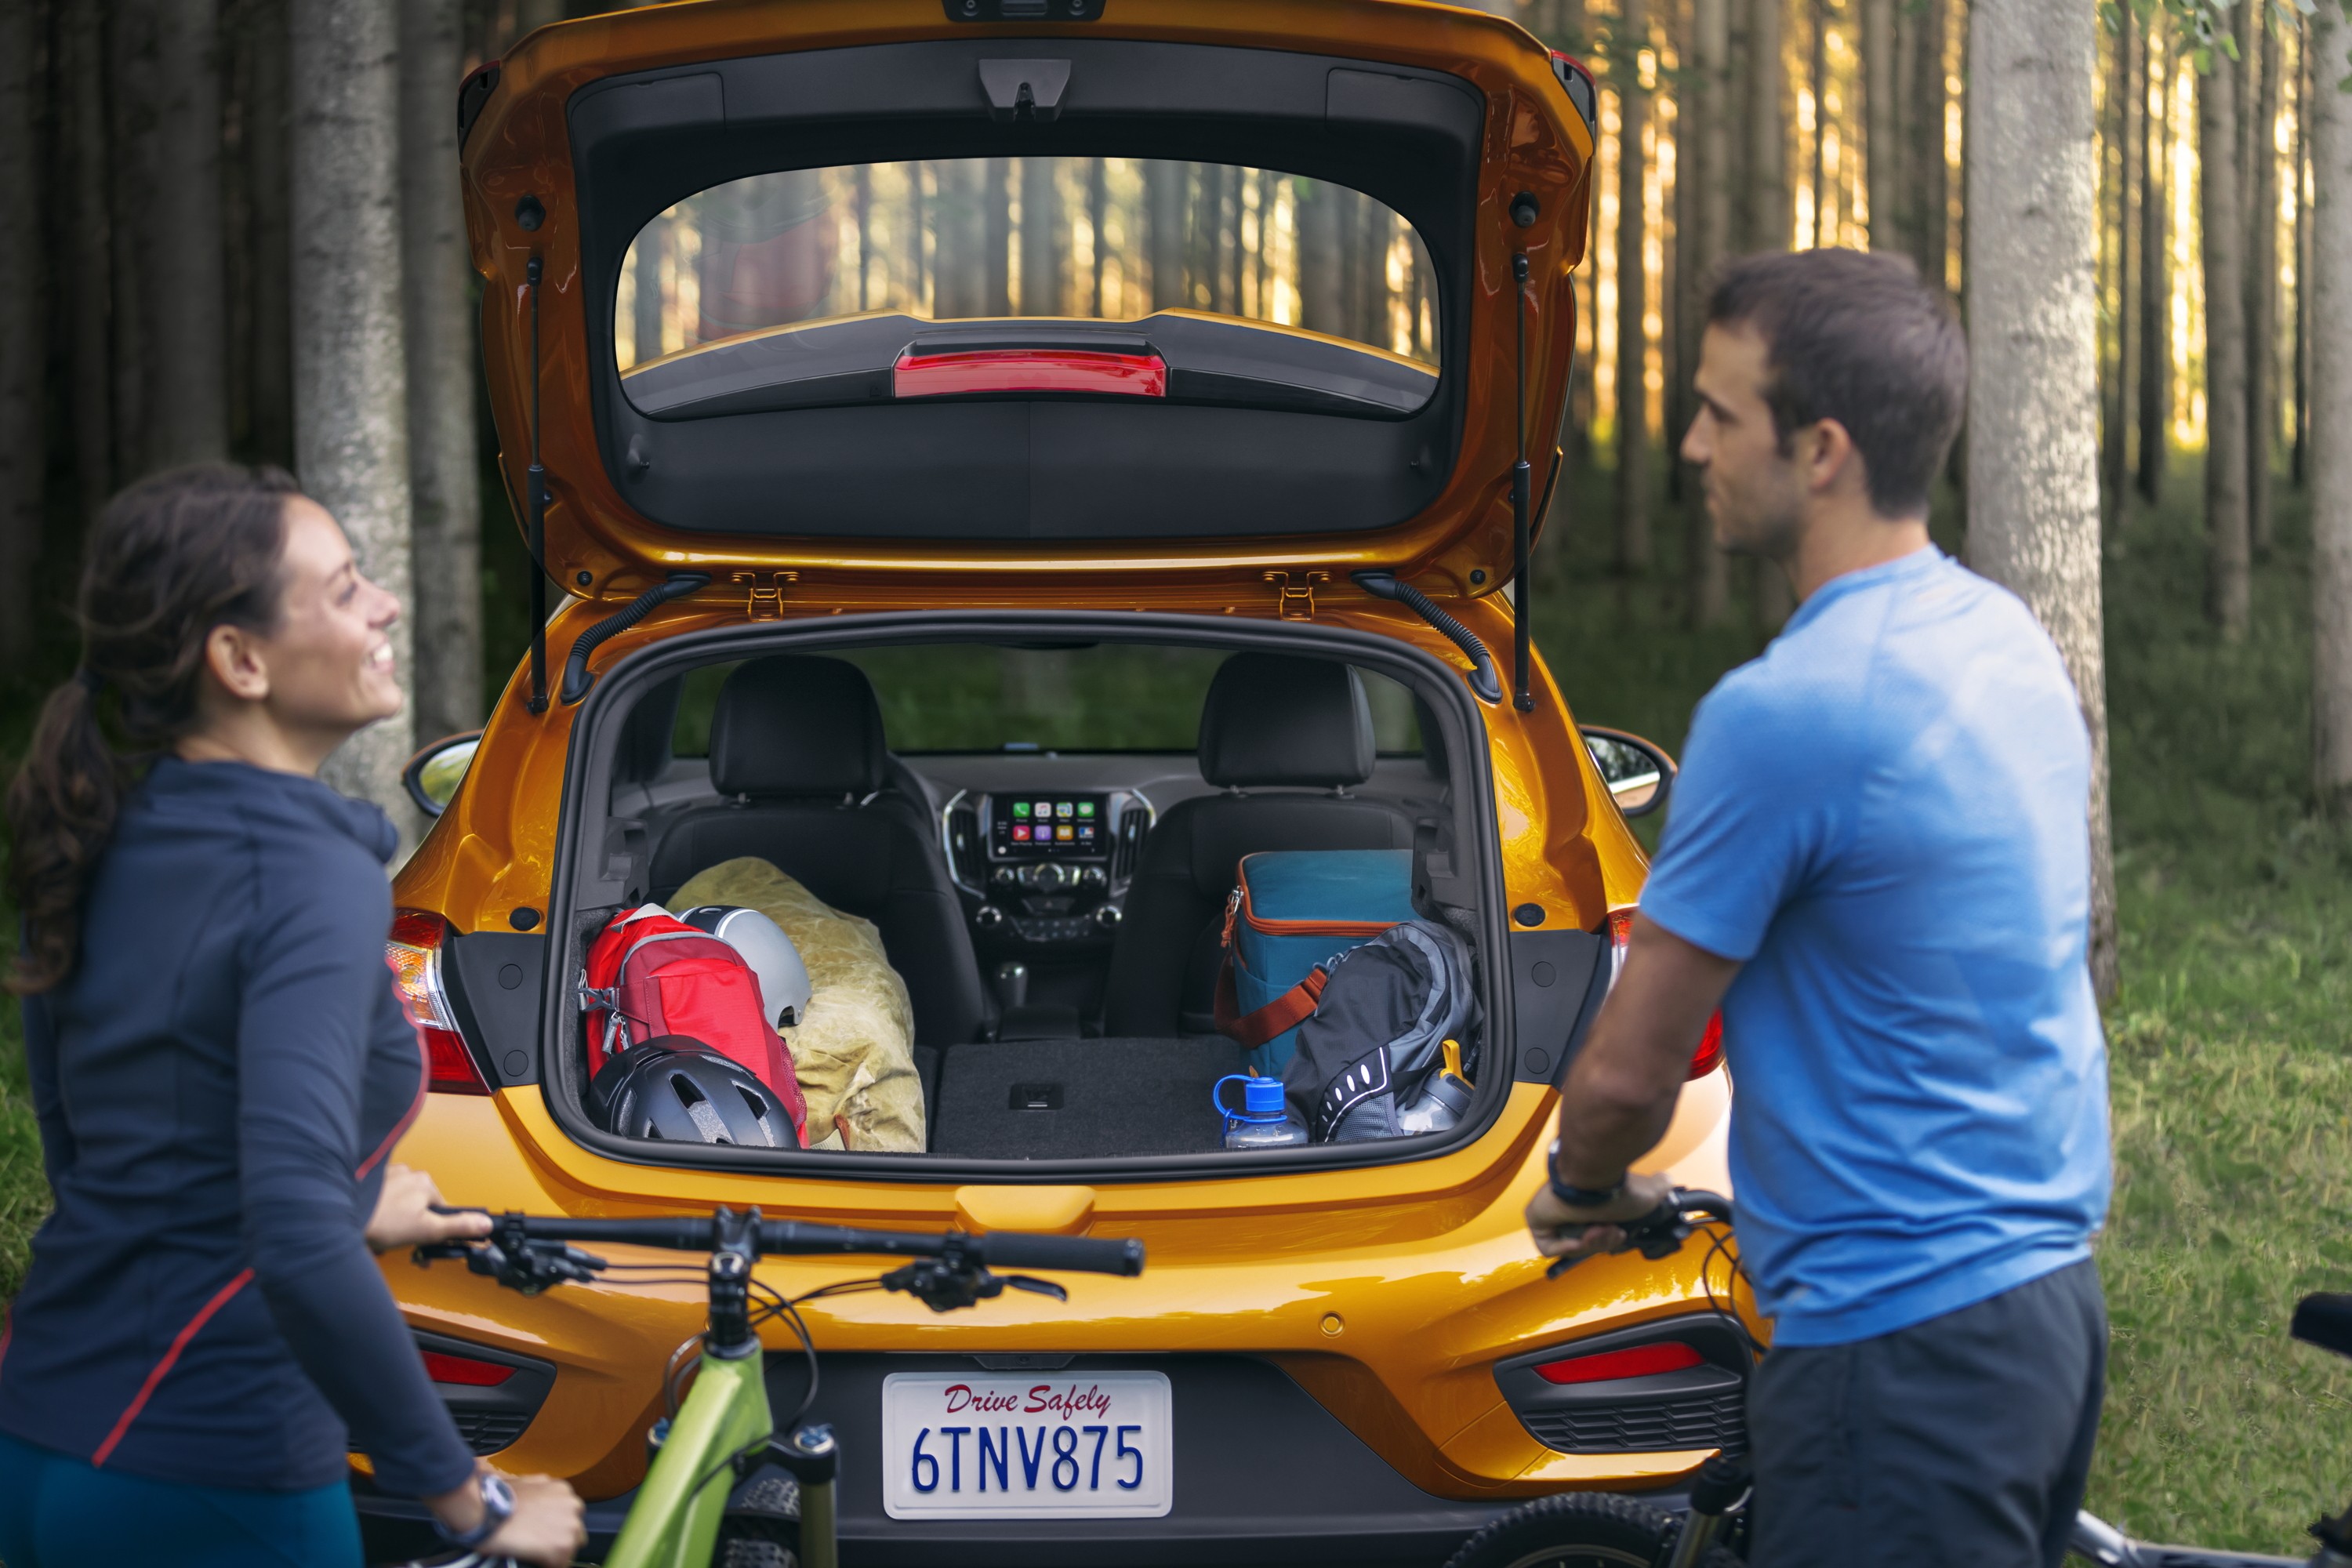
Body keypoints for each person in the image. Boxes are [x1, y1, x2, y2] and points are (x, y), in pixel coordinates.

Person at [1523, 250, 2111, 1568]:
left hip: (1892, 1355)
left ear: (1823, 450)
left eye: (1720, 412)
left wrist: (1582, 1186)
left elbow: (1627, 1073)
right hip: (2046, 1316)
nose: (1692, 445)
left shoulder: (1785, 714)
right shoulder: (2009, 643)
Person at [0, 466, 585, 1567]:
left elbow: (106, 1164)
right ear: (241, 662)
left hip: (42, 1438)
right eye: (345, 587)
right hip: (217, 1472)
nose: (386, 606)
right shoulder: (307, 873)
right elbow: (295, 1236)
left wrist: (353, 1204)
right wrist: (472, 1499)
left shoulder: (97, 834)